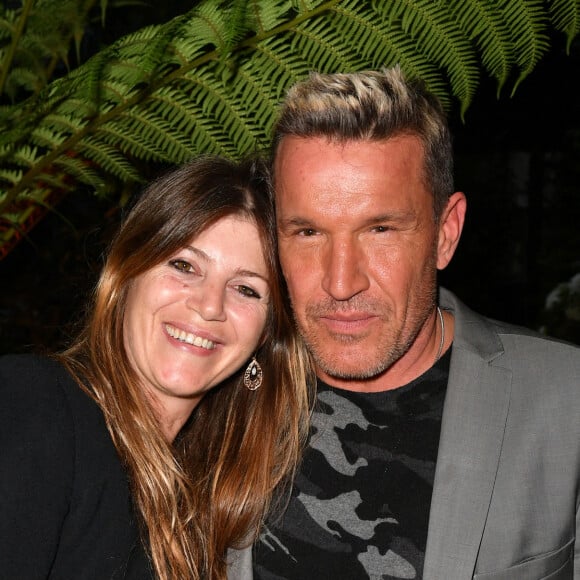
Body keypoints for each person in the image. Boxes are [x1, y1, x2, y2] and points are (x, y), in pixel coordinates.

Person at [228, 67, 580, 578]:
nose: (341, 282)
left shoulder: (564, 402)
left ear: (445, 233)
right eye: (307, 232)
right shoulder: (220, 390)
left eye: (380, 229)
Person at [0, 156, 312, 580]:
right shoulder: (34, 405)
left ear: (265, 336)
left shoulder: (208, 506)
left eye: (245, 289)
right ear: (126, 274)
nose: (209, 306)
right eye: (184, 266)